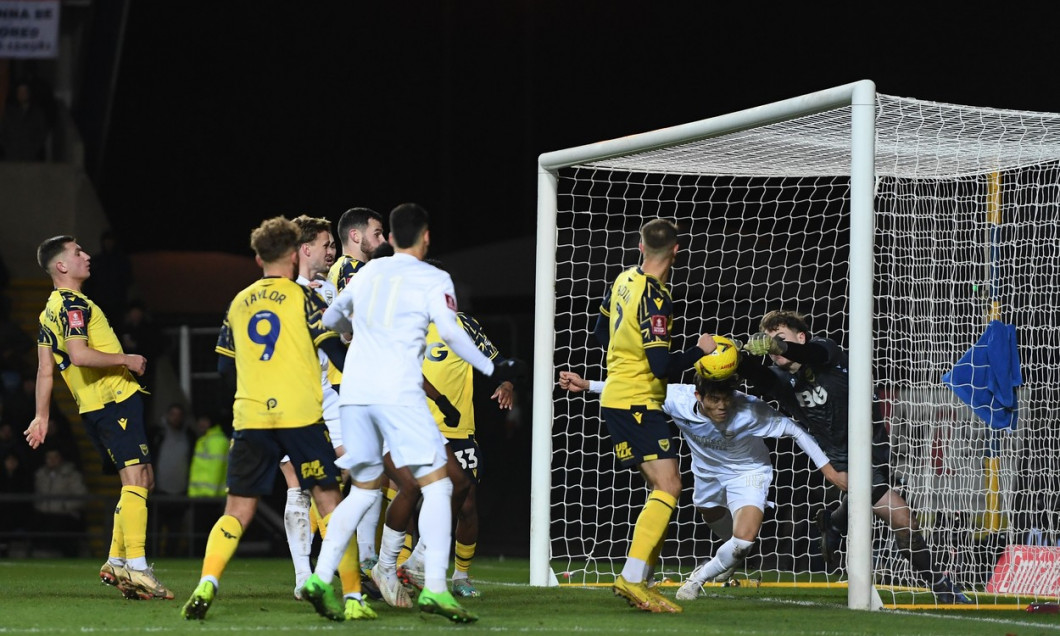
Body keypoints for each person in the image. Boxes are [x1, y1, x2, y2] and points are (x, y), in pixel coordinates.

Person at [302, 203, 524, 624]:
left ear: (392, 237)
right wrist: (495, 369)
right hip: (396, 393)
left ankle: (320, 576)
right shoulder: (431, 277)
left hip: (354, 392)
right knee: (441, 486)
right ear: (424, 237)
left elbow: (330, 319)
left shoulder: (366, 273)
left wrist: (354, 333)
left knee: (366, 490)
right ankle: (429, 585)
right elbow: (454, 332)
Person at [180, 216, 350, 621]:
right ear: (295, 254)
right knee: (330, 502)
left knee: (236, 510)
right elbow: (337, 354)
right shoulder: (304, 298)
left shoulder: (238, 302)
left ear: (257, 257)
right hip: (300, 413)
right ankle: (352, 595)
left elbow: (224, 370)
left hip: (252, 414)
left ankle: (208, 582)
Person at [740, 309, 972, 604]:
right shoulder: (778, 380)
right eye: (769, 342)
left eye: (781, 339)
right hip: (841, 461)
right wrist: (730, 352)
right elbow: (750, 371)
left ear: (800, 337)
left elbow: (815, 353)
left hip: (874, 445)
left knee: (878, 508)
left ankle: (834, 522)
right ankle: (940, 585)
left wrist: (781, 347)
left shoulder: (828, 352)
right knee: (903, 519)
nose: (773, 348)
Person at [558, 369, 841, 599]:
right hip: (707, 474)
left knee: (743, 540)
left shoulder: (750, 410)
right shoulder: (678, 399)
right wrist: (588, 385)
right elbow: (635, 389)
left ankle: (698, 579)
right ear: (698, 395)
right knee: (716, 521)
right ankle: (731, 559)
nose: (721, 407)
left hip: (748, 472)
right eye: (714, 400)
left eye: (726, 399)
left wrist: (828, 469)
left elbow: (794, 429)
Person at [24, 234, 172, 600]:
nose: (86, 256)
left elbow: (45, 370)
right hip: (111, 400)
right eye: (77, 253)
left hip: (98, 405)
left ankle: (116, 561)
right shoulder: (73, 304)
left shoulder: (47, 311)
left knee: (144, 479)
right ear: (62, 266)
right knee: (137, 477)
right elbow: (79, 355)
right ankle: (135, 567)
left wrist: (41, 415)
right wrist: (127, 359)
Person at [590, 218, 713, 613]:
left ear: (640, 246)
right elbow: (661, 366)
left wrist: (623, 358)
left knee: (663, 486)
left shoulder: (624, 278)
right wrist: (700, 350)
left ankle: (641, 579)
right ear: (677, 250)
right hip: (638, 400)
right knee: (670, 485)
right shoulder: (657, 298)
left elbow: (600, 333)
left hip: (618, 394)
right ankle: (631, 577)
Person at [284, 213, 375, 619]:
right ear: (305, 250)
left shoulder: (329, 287)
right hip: (293, 396)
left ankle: (359, 565)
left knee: (358, 471)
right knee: (299, 486)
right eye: (326, 245)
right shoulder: (285, 292)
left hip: (331, 394)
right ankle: (306, 576)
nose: (332, 251)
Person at [397, 306, 515, 599]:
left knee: (466, 503)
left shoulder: (463, 325)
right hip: (413, 425)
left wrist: (507, 382)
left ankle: (461, 574)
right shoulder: (402, 322)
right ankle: (403, 566)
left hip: (456, 430)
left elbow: (497, 361)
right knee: (406, 494)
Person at [151, 403, 195, 556]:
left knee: (175, 532)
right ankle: (151, 558)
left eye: (179, 415)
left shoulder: (189, 436)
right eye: (173, 414)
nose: (176, 418)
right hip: (160, 492)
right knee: (154, 531)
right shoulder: (158, 434)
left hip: (180, 492)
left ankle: (171, 557)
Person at [32, 447, 88, 557]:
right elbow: (36, 494)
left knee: (62, 529)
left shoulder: (72, 474)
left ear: (61, 458)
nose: (52, 460)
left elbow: (81, 496)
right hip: (44, 515)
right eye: (49, 457)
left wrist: (63, 506)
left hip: (65, 515)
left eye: (55, 457)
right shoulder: (40, 474)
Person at [186, 412, 228, 554]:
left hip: (211, 497)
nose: (200, 424)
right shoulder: (204, 440)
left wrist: (212, 493)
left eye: (204, 420)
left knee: (209, 533)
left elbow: (217, 469)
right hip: (201, 495)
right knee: (201, 533)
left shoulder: (218, 441)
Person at [327, 207, 387, 292]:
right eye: (377, 234)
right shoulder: (354, 268)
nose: (383, 240)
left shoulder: (336, 267)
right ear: (355, 236)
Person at [0, 80, 50, 161]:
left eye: (24, 91)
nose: (22, 94)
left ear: (29, 93)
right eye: (20, 92)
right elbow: (2, 132)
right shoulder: (9, 112)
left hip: (30, 157)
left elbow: (42, 133)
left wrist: (33, 149)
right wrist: (8, 148)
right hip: (11, 157)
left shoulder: (37, 113)